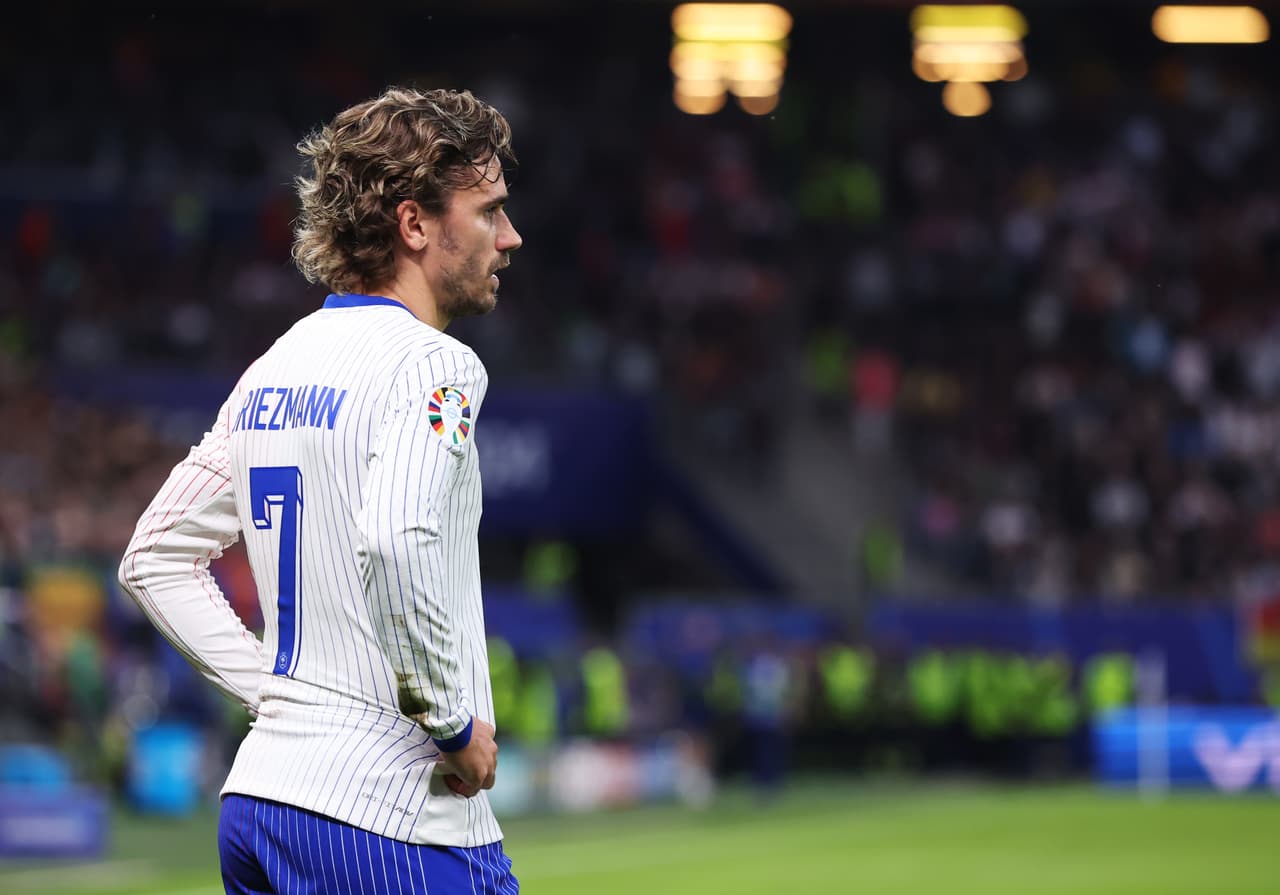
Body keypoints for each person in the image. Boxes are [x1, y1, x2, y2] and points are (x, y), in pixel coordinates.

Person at [118, 86, 523, 894]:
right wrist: (450, 723)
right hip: (394, 818)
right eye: (488, 211)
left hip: (262, 803)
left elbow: (152, 556)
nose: (509, 236)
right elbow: (395, 540)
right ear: (414, 224)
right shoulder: (437, 365)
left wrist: (281, 700)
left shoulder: (276, 365)